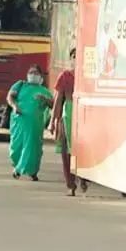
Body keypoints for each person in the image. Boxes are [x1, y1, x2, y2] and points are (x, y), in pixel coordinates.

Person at [6, 63, 53, 181]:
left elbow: (53, 104)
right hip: (18, 122)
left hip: (34, 124)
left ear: (41, 76)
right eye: (30, 72)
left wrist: (45, 99)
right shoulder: (20, 85)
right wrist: (15, 106)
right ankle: (17, 165)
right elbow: (10, 97)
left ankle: (27, 171)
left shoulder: (44, 91)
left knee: (32, 147)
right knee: (16, 147)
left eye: (36, 73)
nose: (33, 75)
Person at [50, 47, 85, 195]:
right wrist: (53, 121)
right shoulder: (65, 76)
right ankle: (71, 185)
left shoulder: (88, 76)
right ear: (71, 58)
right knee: (66, 151)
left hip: (84, 114)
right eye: (74, 56)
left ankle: (82, 178)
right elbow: (58, 100)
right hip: (68, 114)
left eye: (80, 56)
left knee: (82, 150)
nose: (77, 59)